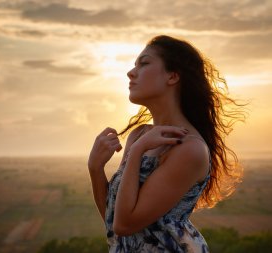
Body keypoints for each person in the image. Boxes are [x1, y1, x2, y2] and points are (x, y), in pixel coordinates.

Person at [88, 35, 245, 252]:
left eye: (144, 63)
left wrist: (137, 151)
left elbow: (125, 225)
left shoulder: (189, 149)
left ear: (172, 76)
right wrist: (95, 169)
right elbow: (113, 219)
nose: (131, 72)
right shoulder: (139, 134)